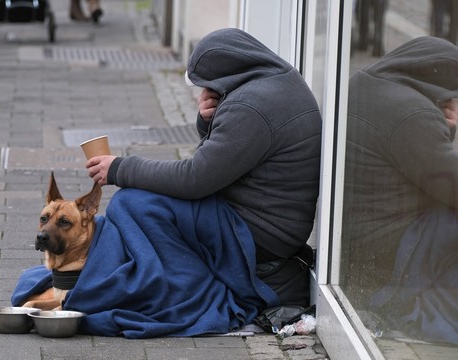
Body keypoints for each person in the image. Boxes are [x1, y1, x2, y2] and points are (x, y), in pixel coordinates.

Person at [86, 28, 323, 307]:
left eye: (206, 83)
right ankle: (161, 276)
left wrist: (120, 169)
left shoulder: (250, 107)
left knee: (132, 204)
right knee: (143, 203)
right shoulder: (277, 82)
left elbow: (194, 179)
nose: (203, 90)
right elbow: (222, 161)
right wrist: (208, 121)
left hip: (258, 239)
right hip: (272, 227)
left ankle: (182, 291)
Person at [342, 36, 458, 343]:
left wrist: (445, 126)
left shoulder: (363, 83)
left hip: (353, 246)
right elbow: (451, 184)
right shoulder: (412, 113)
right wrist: (446, 125)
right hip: (391, 251)